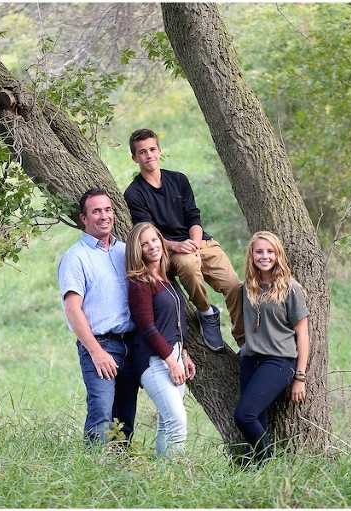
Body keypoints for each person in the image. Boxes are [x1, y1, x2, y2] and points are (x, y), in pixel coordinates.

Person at [124, 128, 244, 351]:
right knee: (188, 265)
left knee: (234, 286)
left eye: (152, 149)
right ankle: (206, 312)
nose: (148, 155)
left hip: (199, 241)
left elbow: (193, 216)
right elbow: (148, 232)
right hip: (170, 249)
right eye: (142, 152)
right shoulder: (134, 193)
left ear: (159, 151)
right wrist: (178, 246)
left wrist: (196, 246)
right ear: (135, 158)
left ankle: (243, 341)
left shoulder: (178, 180)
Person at [57, 188, 139, 444]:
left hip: (132, 345)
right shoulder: (75, 258)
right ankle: (93, 477)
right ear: (84, 218)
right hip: (101, 345)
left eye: (108, 210)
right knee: (102, 416)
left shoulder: (126, 251)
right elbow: (73, 310)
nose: (104, 216)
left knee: (125, 419)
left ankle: (120, 473)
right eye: (96, 211)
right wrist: (96, 352)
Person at [233, 231, 309, 466]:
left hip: (279, 362)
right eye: (259, 251)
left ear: (277, 254)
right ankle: (254, 472)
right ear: (252, 255)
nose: (264, 256)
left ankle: (269, 463)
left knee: (243, 415)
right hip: (250, 361)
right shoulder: (248, 288)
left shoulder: (290, 288)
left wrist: (300, 376)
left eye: (270, 251)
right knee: (256, 418)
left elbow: (303, 334)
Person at [125, 222, 197, 456]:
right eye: (144, 244)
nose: (152, 246)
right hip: (155, 361)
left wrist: (183, 354)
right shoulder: (140, 283)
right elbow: (147, 328)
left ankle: (162, 479)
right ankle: (177, 481)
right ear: (138, 251)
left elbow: (176, 321)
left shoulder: (165, 279)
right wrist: (171, 361)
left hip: (174, 355)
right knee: (178, 422)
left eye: (154, 240)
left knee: (166, 424)